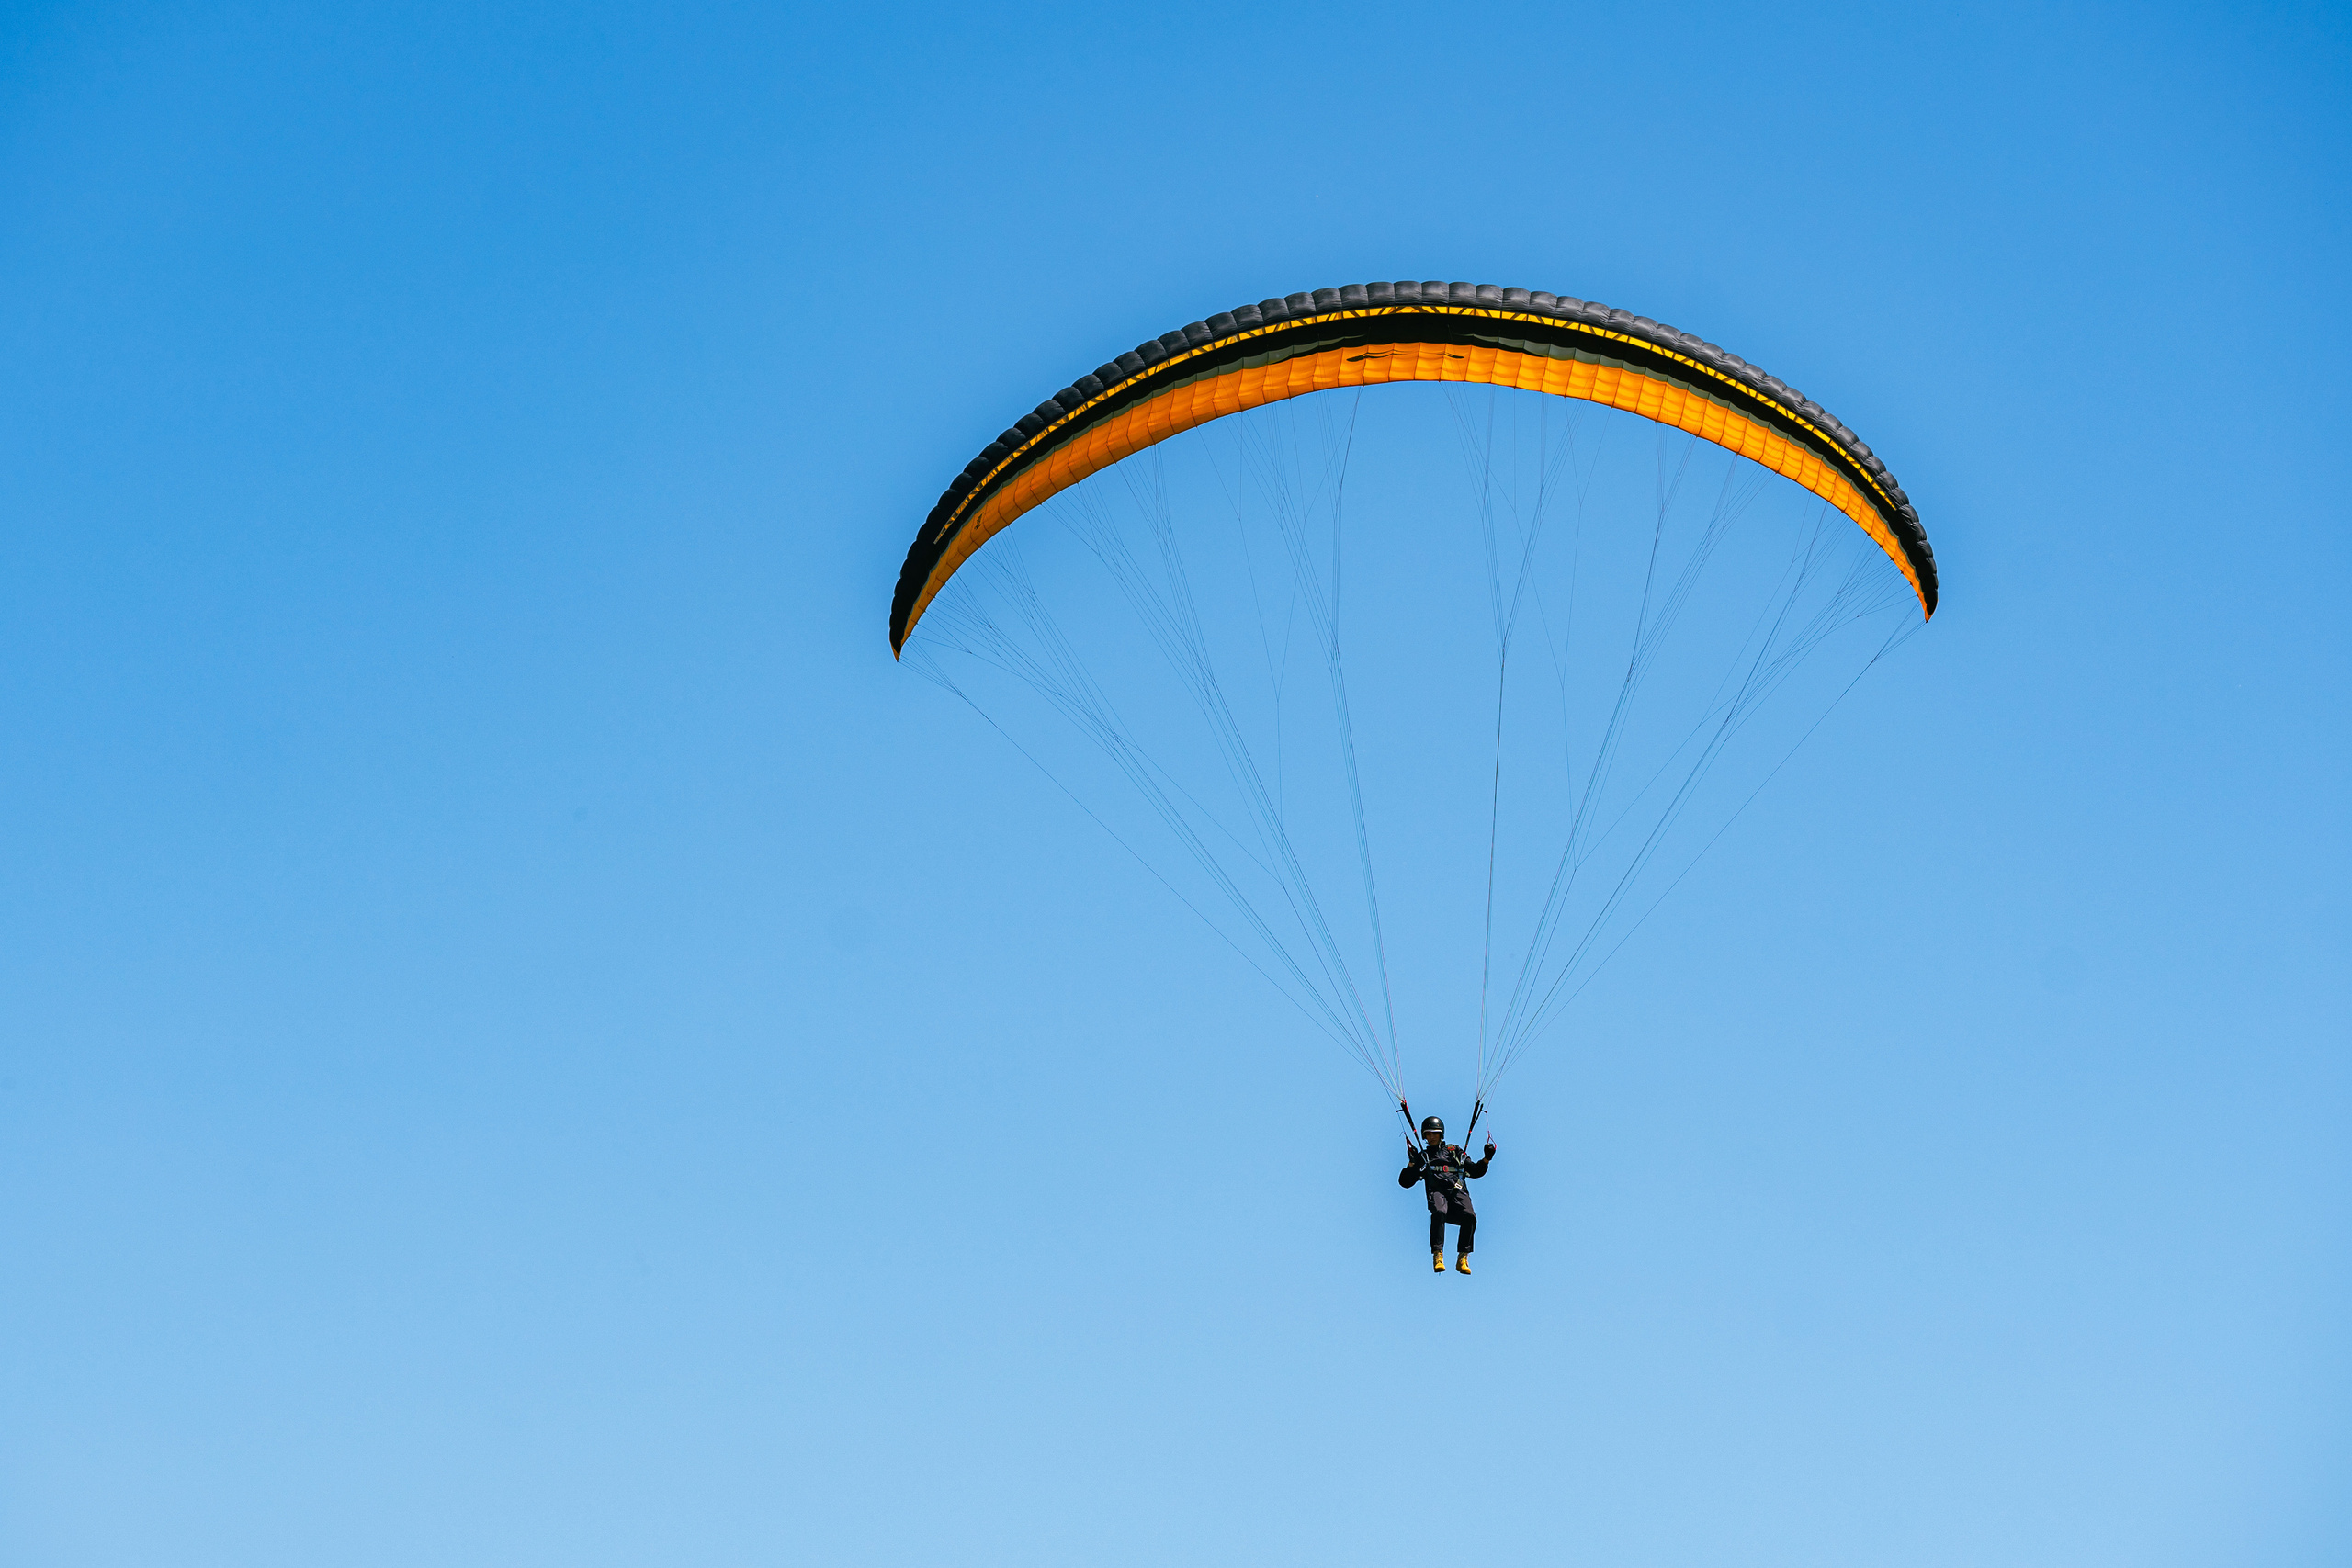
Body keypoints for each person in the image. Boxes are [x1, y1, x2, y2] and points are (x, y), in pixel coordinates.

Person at [1399, 1115, 1495, 1274]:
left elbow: (1475, 1170)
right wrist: (1411, 1164)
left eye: (1435, 1133)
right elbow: (1405, 1182)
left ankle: (1463, 1258)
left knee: (1470, 1216)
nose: (1432, 1137)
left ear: (1441, 1134)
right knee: (1438, 1211)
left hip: (1457, 1191)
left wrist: (1486, 1159)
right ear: (1424, 1136)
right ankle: (1438, 1254)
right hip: (1437, 1192)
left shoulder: (1454, 1152)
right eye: (1428, 1134)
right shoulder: (1423, 1157)